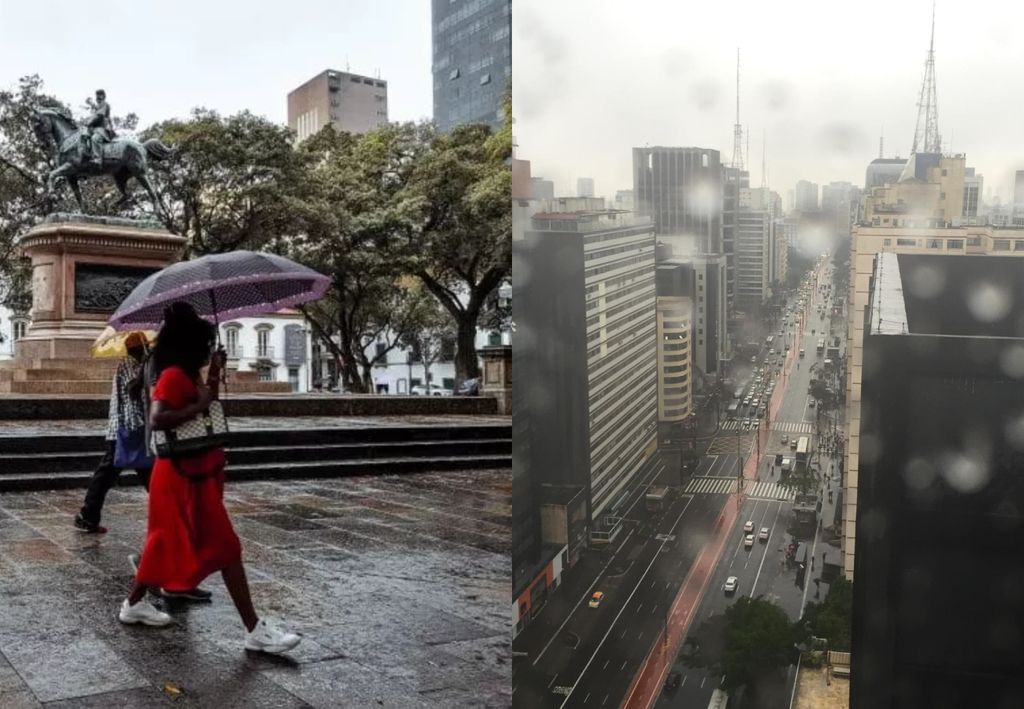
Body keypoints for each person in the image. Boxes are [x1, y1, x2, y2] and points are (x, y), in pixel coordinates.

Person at [119, 303, 301, 655]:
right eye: (204, 344)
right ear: (189, 345)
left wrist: (215, 372)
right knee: (226, 547)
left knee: (162, 544)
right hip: (182, 479)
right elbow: (159, 418)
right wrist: (199, 404)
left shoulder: (187, 374)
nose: (206, 349)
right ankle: (254, 629)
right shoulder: (172, 375)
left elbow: (206, 400)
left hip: (193, 475)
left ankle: (133, 605)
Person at [74, 332, 151, 534]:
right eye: (144, 347)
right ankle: (87, 516)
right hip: (126, 428)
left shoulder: (141, 364)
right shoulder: (128, 364)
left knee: (146, 473)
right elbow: (132, 390)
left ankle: (88, 516)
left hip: (135, 427)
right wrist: (143, 372)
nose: (146, 350)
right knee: (108, 473)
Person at [83, 88, 115, 169]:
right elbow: (94, 113)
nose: (98, 97)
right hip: (94, 128)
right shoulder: (97, 107)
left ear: (103, 96)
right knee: (83, 137)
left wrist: (89, 122)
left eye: (100, 95)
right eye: (97, 96)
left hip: (102, 129)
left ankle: (98, 160)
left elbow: (99, 116)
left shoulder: (104, 104)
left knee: (95, 138)